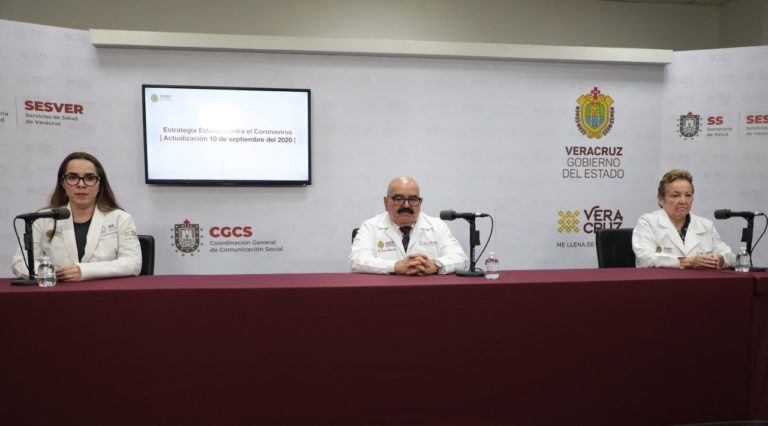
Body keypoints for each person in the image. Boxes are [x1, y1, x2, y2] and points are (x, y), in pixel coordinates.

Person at [11, 152, 142, 281]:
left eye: (89, 178)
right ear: (63, 183)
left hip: (105, 291)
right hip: (57, 290)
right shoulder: (43, 219)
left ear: (100, 185)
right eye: (73, 177)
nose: (81, 184)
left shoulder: (120, 218)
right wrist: (50, 272)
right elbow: (20, 262)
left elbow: (132, 263)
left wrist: (84, 271)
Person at [349, 176, 469, 275]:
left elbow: (461, 259)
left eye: (412, 199)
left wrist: (435, 265)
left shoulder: (437, 226)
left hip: (428, 292)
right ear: (386, 202)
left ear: (420, 202)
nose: (406, 205)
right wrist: (395, 266)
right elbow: (356, 261)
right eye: (398, 198)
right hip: (385, 292)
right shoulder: (370, 227)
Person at [632, 169, 735, 269]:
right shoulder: (648, 222)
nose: (683, 201)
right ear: (661, 199)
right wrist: (687, 262)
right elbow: (644, 258)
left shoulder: (706, 225)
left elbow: (731, 256)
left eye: (688, 195)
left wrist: (718, 260)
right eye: (675, 195)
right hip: (661, 280)